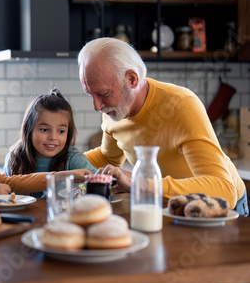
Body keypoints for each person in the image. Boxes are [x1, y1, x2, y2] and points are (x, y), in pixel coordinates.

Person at [78, 37, 248, 216]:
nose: (97, 106)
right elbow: (108, 157)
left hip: (217, 208)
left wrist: (141, 183)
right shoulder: (114, 111)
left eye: (103, 93)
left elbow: (224, 190)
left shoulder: (181, 105)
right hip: (169, 206)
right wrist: (59, 161)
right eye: (90, 95)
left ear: (131, 79)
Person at [3, 88, 97, 183]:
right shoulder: (14, 160)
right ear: (29, 130)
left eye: (60, 131)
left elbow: (100, 180)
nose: (53, 137)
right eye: (44, 130)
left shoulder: (73, 159)